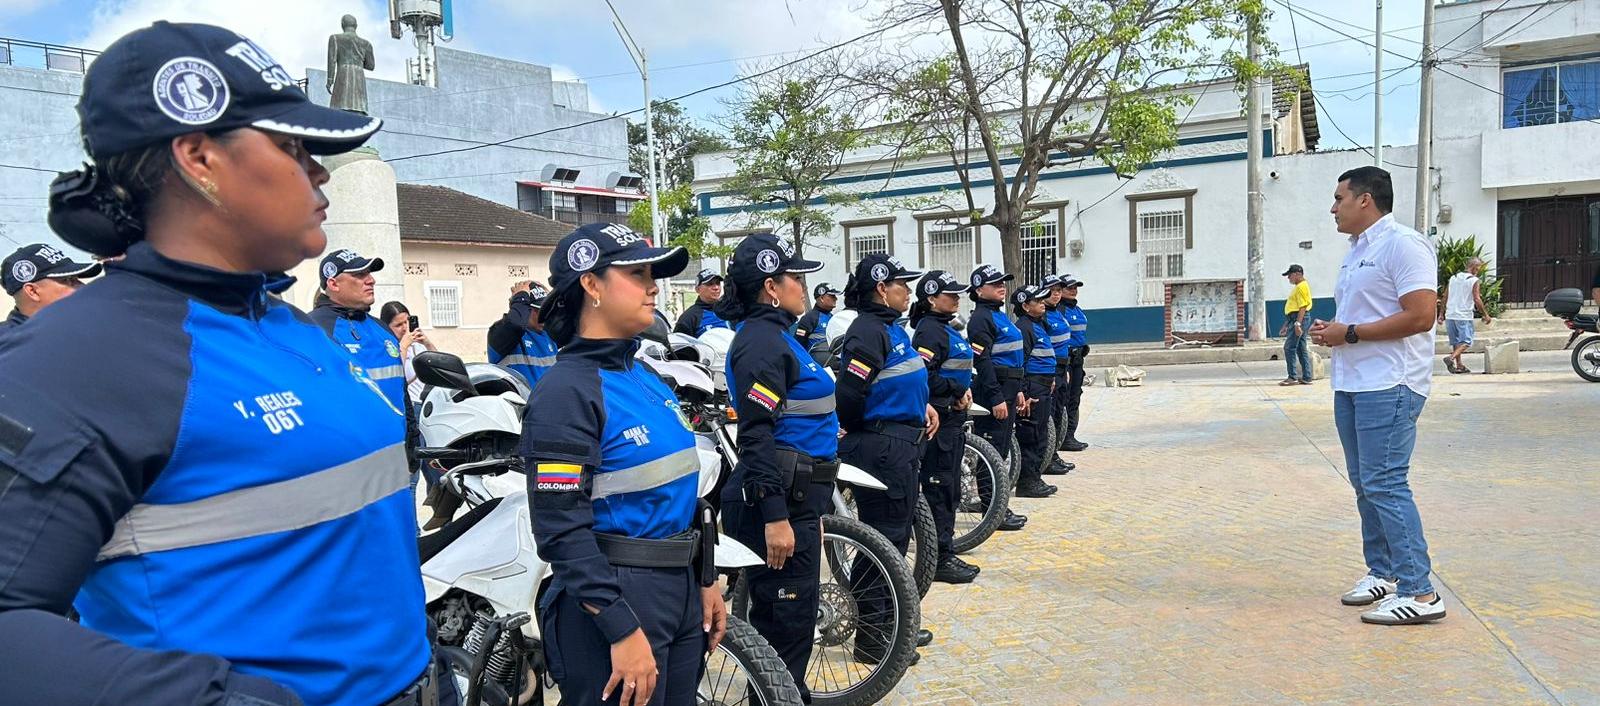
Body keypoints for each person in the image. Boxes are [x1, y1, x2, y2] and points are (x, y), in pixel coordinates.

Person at [0, 21, 443, 705]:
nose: (321, 172)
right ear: (199, 158)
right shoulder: (83, 359)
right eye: (294, 147)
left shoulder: (292, 327)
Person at [525, 222, 727, 706]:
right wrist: (619, 626)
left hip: (676, 588)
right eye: (637, 273)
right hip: (617, 595)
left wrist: (703, 577)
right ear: (591, 285)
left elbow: (683, 492)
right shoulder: (565, 393)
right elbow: (559, 529)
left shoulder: (643, 375)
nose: (654, 286)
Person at [1310, 166, 1444, 626]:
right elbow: (1361, 318)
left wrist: (1348, 333)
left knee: (1386, 483)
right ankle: (1384, 574)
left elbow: (1422, 316)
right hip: (1353, 383)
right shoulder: (1355, 253)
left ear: (1365, 200)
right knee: (1365, 484)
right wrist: (1334, 330)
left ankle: (1420, 591)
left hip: (1390, 383)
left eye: (1339, 198)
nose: (1333, 207)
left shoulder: (1403, 244)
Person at [715, 233, 832, 702]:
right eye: (795, 277)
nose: (803, 285)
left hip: (800, 499)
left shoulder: (779, 335)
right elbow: (756, 435)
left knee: (795, 631)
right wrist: (776, 517)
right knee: (783, 636)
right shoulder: (762, 343)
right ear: (771, 286)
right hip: (779, 502)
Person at [835, 253, 936, 663]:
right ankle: (875, 641)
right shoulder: (867, 332)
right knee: (882, 542)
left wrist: (922, 408)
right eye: (902, 284)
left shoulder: (891, 329)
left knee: (894, 540)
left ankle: (892, 626)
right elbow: (849, 396)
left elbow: (899, 380)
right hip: (882, 446)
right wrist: (875, 427)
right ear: (881, 287)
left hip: (901, 441)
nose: (908, 291)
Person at [910, 270, 980, 584]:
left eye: (957, 293)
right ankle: (939, 557)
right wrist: (954, 391)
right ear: (931, 298)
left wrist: (965, 389)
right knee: (940, 487)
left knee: (950, 487)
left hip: (953, 414)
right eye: (949, 294)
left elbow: (959, 367)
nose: (956, 298)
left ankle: (946, 549)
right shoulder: (928, 331)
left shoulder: (945, 327)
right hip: (939, 417)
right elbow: (925, 374)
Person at [965, 264, 1028, 532]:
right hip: (996, 388)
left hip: (1010, 386)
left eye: (1003, 283)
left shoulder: (998, 315)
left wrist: (1020, 389)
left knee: (1001, 451)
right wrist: (995, 398)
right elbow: (983, 360)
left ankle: (998, 506)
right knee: (992, 452)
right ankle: (992, 509)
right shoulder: (981, 319)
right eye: (995, 284)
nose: (1002, 286)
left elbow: (1012, 354)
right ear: (979, 289)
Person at [310, 248, 406, 412]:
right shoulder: (311, 330)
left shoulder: (382, 328)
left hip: (400, 436)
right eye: (360, 275)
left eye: (369, 273)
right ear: (333, 284)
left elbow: (403, 394)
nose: (371, 280)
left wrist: (412, 435)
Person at [1011, 285, 1060, 499]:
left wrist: (1049, 379)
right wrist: (1023, 390)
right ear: (1025, 305)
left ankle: (1035, 478)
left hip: (1043, 383)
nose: (1043, 302)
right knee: (1031, 436)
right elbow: (1020, 362)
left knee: (1040, 433)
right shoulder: (1024, 327)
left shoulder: (1038, 324)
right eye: (1037, 300)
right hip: (1032, 386)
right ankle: (1027, 482)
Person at [0, 243, 102, 333]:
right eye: (67, 280)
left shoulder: (88, 327)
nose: (82, 286)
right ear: (33, 291)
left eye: (76, 279)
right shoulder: (7, 346)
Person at [488, 280, 558, 389]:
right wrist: (520, 298)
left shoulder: (550, 334)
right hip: (520, 404)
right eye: (537, 310)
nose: (544, 315)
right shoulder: (503, 333)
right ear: (524, 308)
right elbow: (515, 324)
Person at [1039, 275, 1076, 476]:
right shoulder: (1043, 316)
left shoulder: (1058, 312)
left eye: (1059, 291)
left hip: (1063, 368)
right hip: (1050, 370)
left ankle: (1053, 455)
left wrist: (1066, 369)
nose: (1056, 294)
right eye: (1052, 291)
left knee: (1059, 410)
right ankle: (1048, 458)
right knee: (1050, 416)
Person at [1055, 275, 1090, 452]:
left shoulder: (1077, 309)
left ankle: (1070, 435)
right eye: (1069, 287)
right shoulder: (1059, 310)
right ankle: (1063, 438)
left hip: (1078, 360)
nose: (1073, 290)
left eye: (1075, 287)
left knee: (1075, 398)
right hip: (1066, 361)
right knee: (1065, 399)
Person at [1441, 258, 1491, 375]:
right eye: (1478, 268)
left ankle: (1459, 365)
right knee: (1466, 341)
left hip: (1450, 315)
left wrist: (1441, 314)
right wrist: (1485, 315)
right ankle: (1451, 358)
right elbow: (1477, 299)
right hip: (1463, 316)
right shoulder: (1474, 280)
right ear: (1474, 267)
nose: (1478, 271)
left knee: (1456, 342)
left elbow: (1445, 296)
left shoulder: (1453, 278)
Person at [381, 300, 436, 403]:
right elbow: (394, 375)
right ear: (386, 327)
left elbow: (439, 365)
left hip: (427, 402)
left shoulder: (417, 345)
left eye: (407, 322)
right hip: (408, 405)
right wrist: (404, 346)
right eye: (398, 325)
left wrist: (428, 344)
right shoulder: (385, 348)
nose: (405, 328)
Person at [1280, 264, 1314, 386]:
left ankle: (1292, 376)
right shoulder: (1299, 286)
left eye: (1290, 275)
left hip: (1299, 318)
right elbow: (1293, 307)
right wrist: (1286, 324)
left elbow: (1302, 307)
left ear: (1297, 274)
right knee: (1300, 347)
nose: (1288, 278)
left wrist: (1297, 324)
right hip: (1294, 318)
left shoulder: (1301, 287)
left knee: (1289, 347)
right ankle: (1307, 377)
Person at [673, 268, 731, 336]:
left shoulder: (729, 310)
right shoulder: (689, 317)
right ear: (698, 289)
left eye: (718, 283)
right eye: (710, 284)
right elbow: (679, 344)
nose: (716, 287)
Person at [794, 281, 841, 351]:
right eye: (832, 296)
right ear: (822, 298)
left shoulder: (832, 317)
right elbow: (797, 346)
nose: (836, 299)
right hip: (815, 360)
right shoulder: (809, 319)